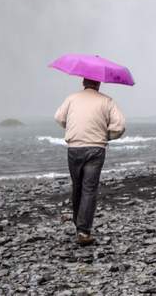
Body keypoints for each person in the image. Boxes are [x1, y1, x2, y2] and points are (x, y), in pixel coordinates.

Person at [55, 77, 126, 246]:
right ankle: (83, 230)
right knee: (89, 188)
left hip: (74, 148)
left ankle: (78, 223)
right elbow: (119, 126)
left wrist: (71, 126)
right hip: (95, 148)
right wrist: (106, 135)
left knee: (77, 186)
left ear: (83, 83)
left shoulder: (71, 98)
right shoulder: (107, 101)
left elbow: (59, 117)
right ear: (99, 83)